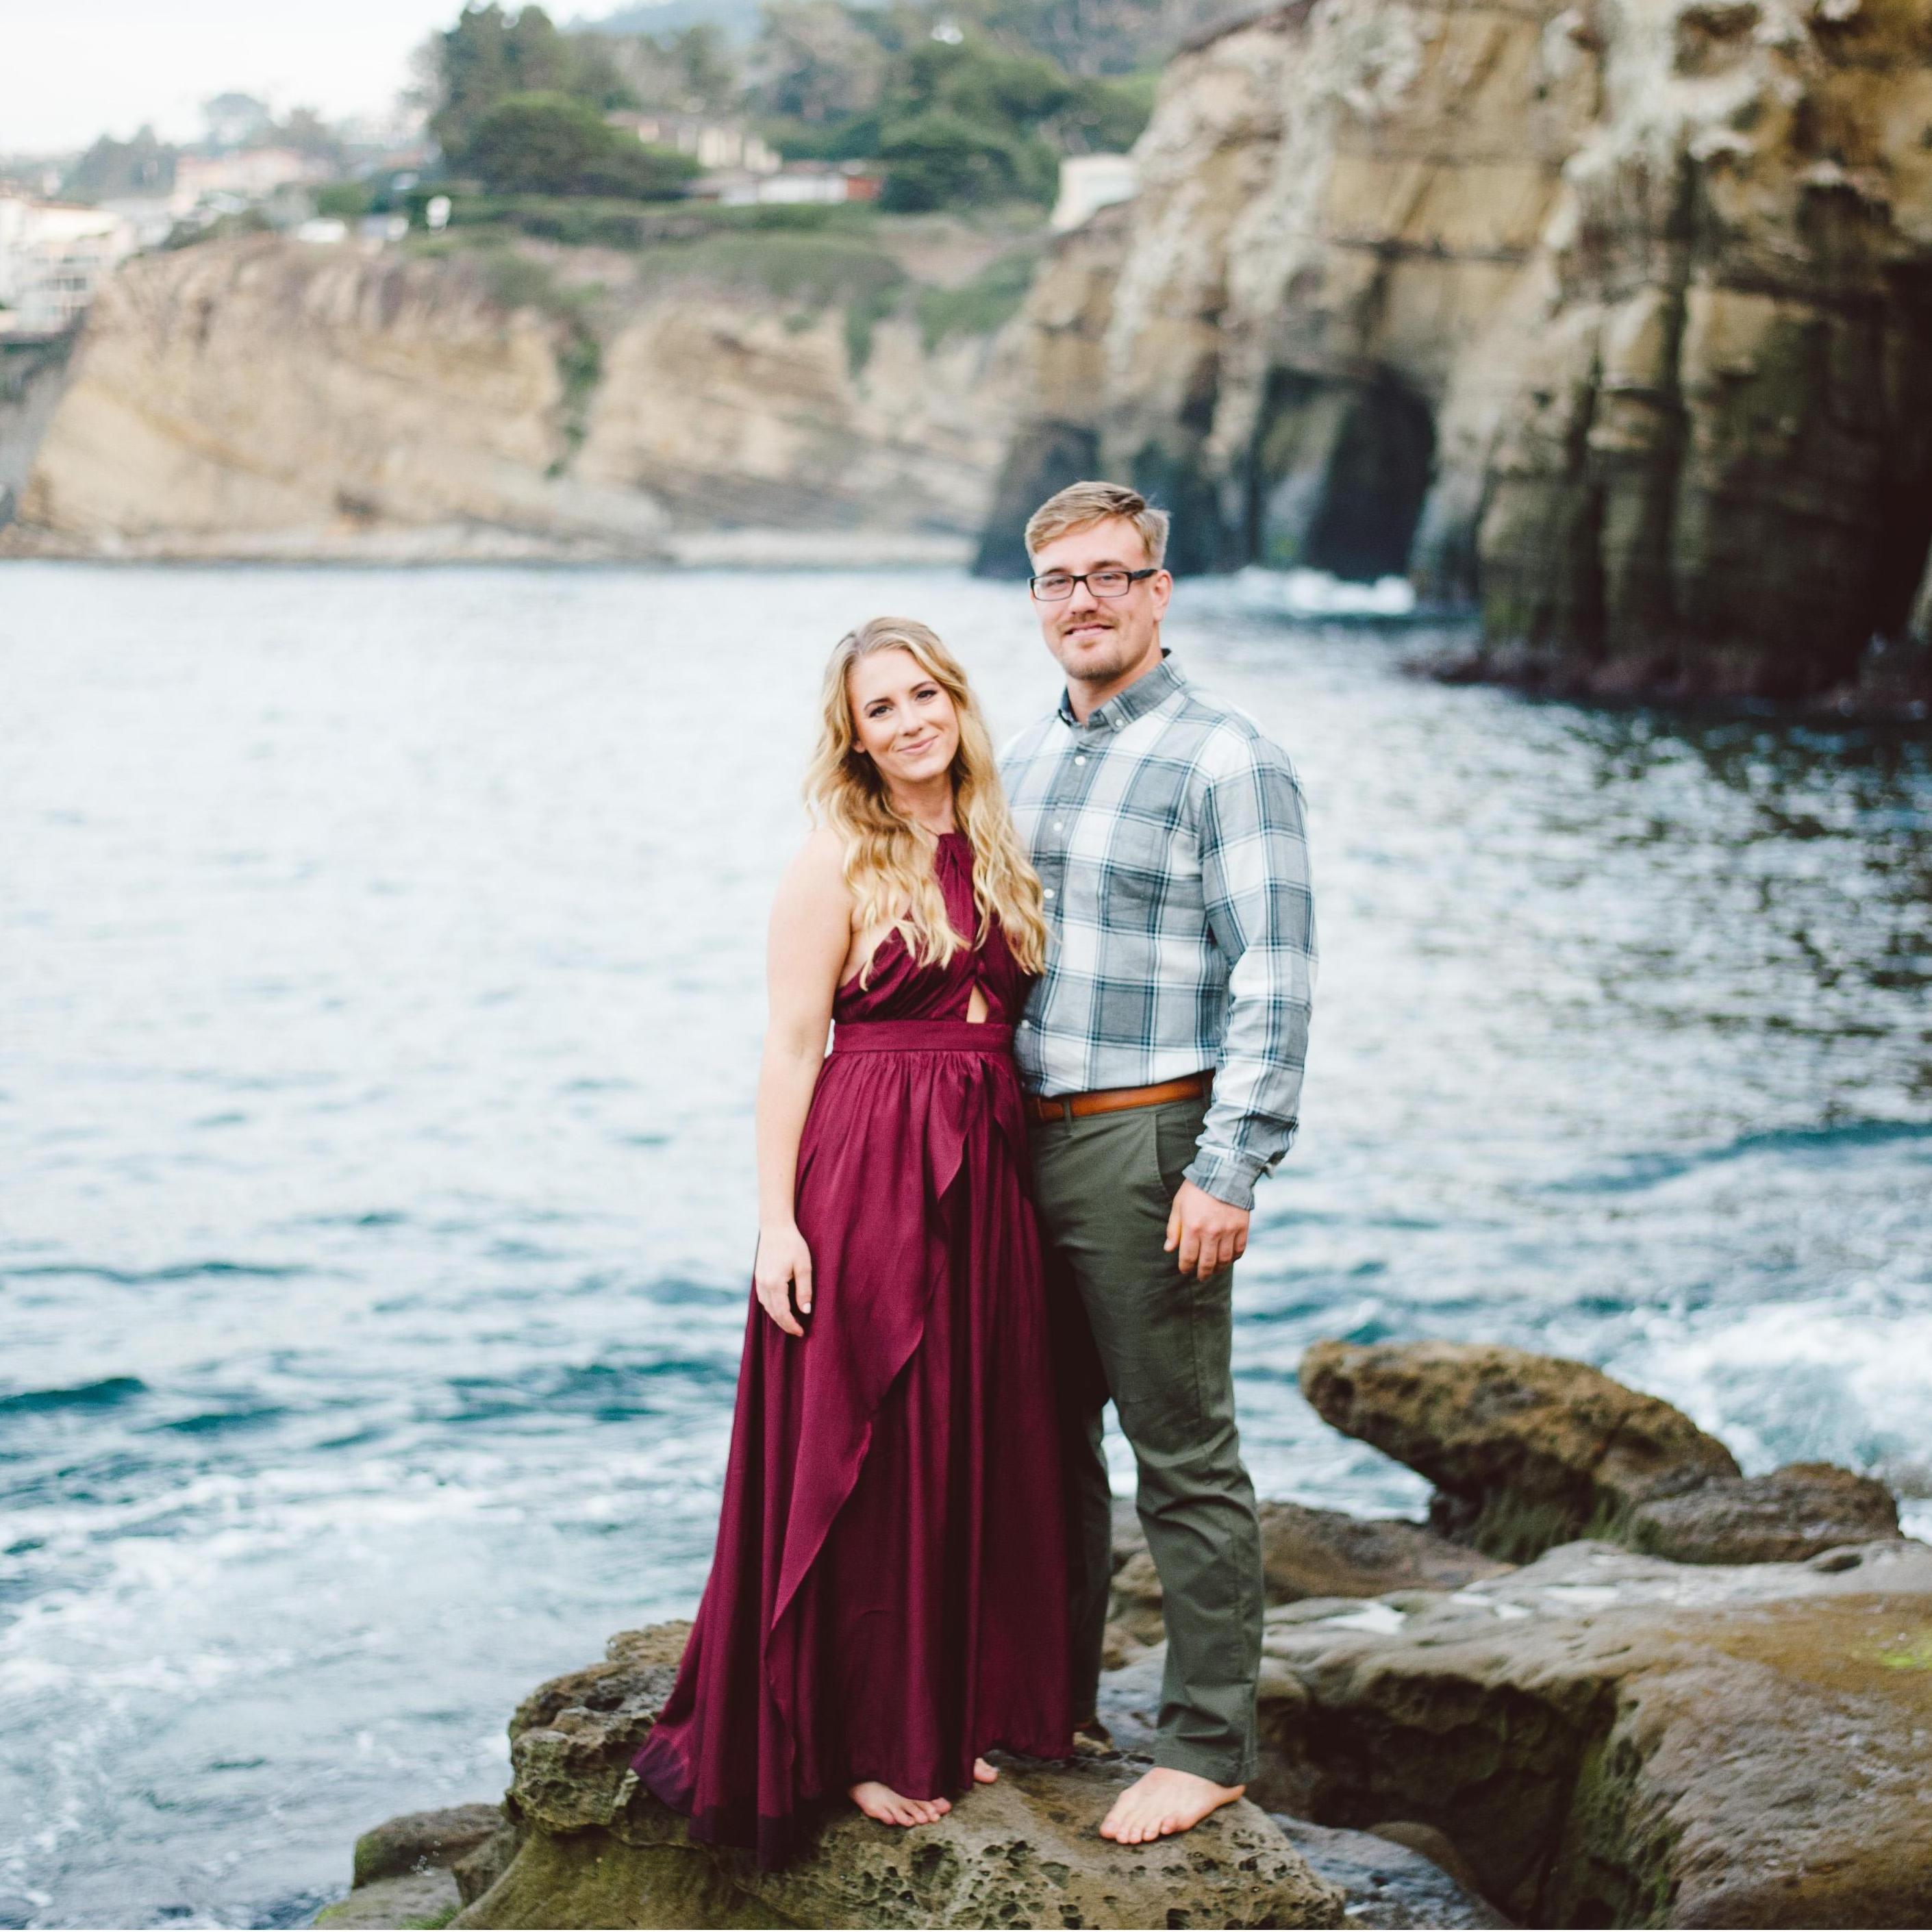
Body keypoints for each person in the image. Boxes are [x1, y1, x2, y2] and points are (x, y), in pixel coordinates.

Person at [631, 616, 1075, 1867]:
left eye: (925, 692)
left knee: (964, 1433)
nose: (912, 719)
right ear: (857, 737)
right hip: (868, 1161)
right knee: (866, 1440)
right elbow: (788, 1046)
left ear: (957, 701)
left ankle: (944, 1707)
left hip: (987, 1164)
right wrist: (775, 1221)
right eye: (883, 707)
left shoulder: (993, 841)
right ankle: (866, 1736)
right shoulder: (834, 858)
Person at [1000, 481, 1317, 1846]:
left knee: (1180, 1451)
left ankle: (1205, 1742)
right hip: (1019, 1146)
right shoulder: (1011, 759)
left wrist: (1229, 1164)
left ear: (1158, 590)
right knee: (1042, 1449)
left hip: (1150, 1141)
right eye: (1059, 580)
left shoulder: (1225, 758)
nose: (1085, 599)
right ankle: (1048, 1706)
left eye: (1110, 576)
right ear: (1037, 600)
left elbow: (1277, 980)